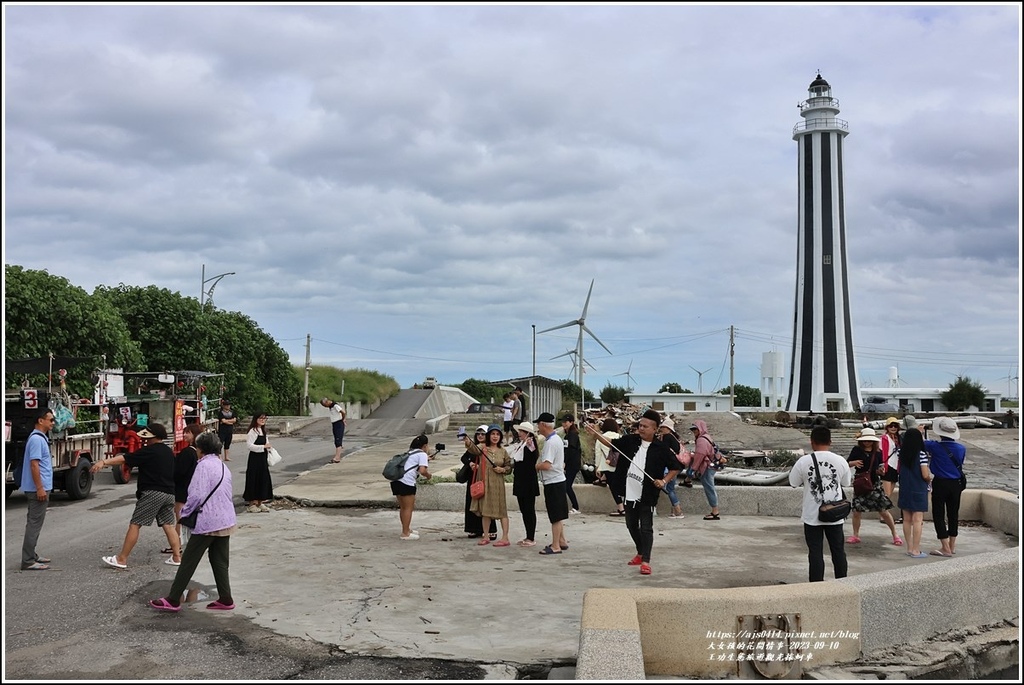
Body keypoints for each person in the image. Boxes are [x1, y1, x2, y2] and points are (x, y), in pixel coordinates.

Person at [148, 431, 236, 612]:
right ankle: (226, 598)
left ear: (201, 448)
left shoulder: (202, 467)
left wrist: (185, 513)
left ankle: (173, 599)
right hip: (226, 519)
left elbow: (195, 495)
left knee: (188, 559)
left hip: (208, 520)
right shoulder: (221, 465)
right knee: (219, 560)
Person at [587, 409, 679, 576]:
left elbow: (676, 467)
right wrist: (596, 434)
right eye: (640, 425)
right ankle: (640, 551)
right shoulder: (630, 440)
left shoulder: (661, 448)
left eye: (645, 426)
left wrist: (664, 481)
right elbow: (611, 444)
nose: (641, 429)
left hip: (648, 493)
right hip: (629, 491)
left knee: (646, 527)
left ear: (655, 429)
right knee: (631, 524)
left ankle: (646, 561)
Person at [92, 422, 181, 568]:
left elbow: (125, 458)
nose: (145, 440)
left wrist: (104, 461)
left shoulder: (150, 450)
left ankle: (122, 559)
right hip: (169, 493)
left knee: (135, 524)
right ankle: (177, 557)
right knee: (169, 525)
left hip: (153, 492)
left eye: (147, 437)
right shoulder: (168, 452)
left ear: (154, 437)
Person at [788, 425, 852, 582]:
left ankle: (816, 586)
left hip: (811, 514)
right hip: (835, 513)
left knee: (815, 552)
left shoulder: (804, 461)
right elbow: (846, 482)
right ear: (830, 441)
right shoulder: (840, 460)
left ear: (812, 442)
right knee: (838, 551)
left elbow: (793, 482)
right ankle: (842, 583)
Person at [846, 427, 901, 546]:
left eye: (869, 440)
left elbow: (880, 468)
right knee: (856, 511)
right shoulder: (856, 450)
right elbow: (846, 464)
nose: (867, 442)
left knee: (883, 510)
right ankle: (855, 534)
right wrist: (853, 463)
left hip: (874, 483)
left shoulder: (878, 452)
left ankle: (895, 534)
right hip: (861, 483)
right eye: (865, 440)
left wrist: (881, 471)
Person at [924, 416, 967, 557]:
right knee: (953, 514)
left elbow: (920, 443)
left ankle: (945, 547)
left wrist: (919, 431)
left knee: (938, 514)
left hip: (941, 482)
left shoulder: (934, 446)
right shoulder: (961, 448)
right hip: (956, 484)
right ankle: (952, 545)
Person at [20, 408, 56, 570]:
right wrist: (40, 488)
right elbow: (34, 465)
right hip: (37, 489)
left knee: (35, 522)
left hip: (39, 487)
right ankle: (28, 560)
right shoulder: (36, 440)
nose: (53, 423)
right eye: (50, 420)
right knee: (34, 523)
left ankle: (31, 554)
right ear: (40, 421)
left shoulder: (39, 438)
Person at [466, 424, 513, 547]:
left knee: (502, 510)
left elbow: (509, 467)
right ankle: (485, 536)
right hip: (485, 483)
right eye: (493, 434)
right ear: (489, 435)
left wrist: (502, 470)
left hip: (498, 484)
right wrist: (467, 441)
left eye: (497, 434)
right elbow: (472, 449)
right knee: (485, 510)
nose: (495, 436)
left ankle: (505, 537)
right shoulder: (483, 447)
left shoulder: (503, 451)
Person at [897, 415, 932, 559]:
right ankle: (916, 550)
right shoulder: (922, 455)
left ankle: (909, 548)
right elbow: (925, 475)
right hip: (918, 489)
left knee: (906, 519)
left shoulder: (901, 454)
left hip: (905, 488)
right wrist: (930, 478)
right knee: (918, 520)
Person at [535, 412, 569, 555]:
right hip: (558, 480)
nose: (537, 427)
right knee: (559, 514)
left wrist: (535, 466)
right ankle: (561, 540)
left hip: (553, 482)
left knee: (555, 516)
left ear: (543, 425)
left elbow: (547, 465)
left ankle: (555, 546)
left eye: (538, 424)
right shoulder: (556, 439)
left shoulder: (550, 442)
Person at [392, 434, 432, 540]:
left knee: (403, 508)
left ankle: (406, 529)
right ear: (425, 446)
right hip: (407, 483)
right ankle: (405, 533)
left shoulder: (409, 453)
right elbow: (422, 470)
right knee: (408, 508)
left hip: (396, 481)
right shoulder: (422, 454)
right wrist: (429, 476)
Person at [171, 424, 205, 550]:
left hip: (182, 488)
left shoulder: (187, 452)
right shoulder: (200, 453)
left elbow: (179, 472)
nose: (185, 435)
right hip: (193, 488)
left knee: (180, 517)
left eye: (188, 432)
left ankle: (177, 545)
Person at [508, 420, 541, 546]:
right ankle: (528, 535)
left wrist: (529, 443)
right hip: (520, 480)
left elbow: (533, 454)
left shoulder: (530, 444)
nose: (519, 433)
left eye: (522, 431)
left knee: (529, 510)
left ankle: (531, 537)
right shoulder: (521, 445)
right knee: (523, 509)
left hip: (528, 482)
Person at [461, 425, 496, 539]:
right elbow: (464, 458)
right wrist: (471, 464)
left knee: (487, 503)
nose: (480, 436)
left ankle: (490, 529)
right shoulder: (474, 447)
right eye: (478, 434)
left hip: (486, 478)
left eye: (483, 434)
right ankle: (474, 529)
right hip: (473, 478)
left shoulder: (490, 448)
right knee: (472, 502)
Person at [688, 420, 721, 520]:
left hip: (707, 467)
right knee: (710, 487)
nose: (694, 431)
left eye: (695, 429)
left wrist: (693, 468)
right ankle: (687, 480)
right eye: (693, 429)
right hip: (712, 465)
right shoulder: (707, 437)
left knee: (709, 488)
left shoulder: (701, 440)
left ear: (700, 429)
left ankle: (715, 511)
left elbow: (700, 455)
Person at [242, 413, 274, 513]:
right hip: (255, 458)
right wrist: (262, 447)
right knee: (253, 479)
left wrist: (268, 448)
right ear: (256, 419)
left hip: (263, 458)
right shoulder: (253, 431)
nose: (263, 420)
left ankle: (260, 502)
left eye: (264, 418)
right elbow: (249, 446)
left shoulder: (263, 431)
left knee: (263, 478)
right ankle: (252, 503)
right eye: (261, 418)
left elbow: (266, 443)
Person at [595, 418, 626, 516]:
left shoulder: (601, 437)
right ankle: (625, 506)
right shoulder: (620, 436)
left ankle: (621, 509)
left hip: (607, 465)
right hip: (620, 466)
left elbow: (598, 454)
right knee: (621, 486)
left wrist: (597, 468)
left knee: (614, 488)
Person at [658, 418, 684, 519]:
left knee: (669, 488)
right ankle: (674, 511)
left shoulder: (667, 437)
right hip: (677, 466)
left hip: (671, 467)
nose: (661, 429)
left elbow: (663, 453)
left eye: (663, 427)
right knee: (670, 488)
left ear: (668, 428)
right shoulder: (674, 437)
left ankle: (678, 510)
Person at [879, 416, 902, 521]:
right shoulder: (884, 438)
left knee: (890, 493)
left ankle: (884, 513)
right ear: (887, 427)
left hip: (895, 466)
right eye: (891, 426)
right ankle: (883, 515)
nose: (893, 428)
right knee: (886, 493)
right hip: (887, 466)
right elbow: (881, 451)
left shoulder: (898, 438)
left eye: (895, 426)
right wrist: (882, 465)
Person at [560, 414, 582, 514]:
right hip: (570, 464)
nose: (564, 423)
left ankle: (575, 507)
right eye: (563, 422)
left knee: (567, 485)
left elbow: (570, 450)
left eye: (566, 422)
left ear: (571, 422)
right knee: (566, 485)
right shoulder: (568, 434)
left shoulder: (572, 434)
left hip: (572, 464)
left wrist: (565, 462)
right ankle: (570, 506)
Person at [320, 397, 347, 463]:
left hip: (338, 423)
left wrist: (343, 419)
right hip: (335, 424)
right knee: (336, 440)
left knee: (338, 440)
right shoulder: (331, 407)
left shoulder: (335, 406)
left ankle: (337, 458)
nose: (325, 407)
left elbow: (343, 412)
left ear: (327, 402)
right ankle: (338, 456)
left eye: (324, 405)